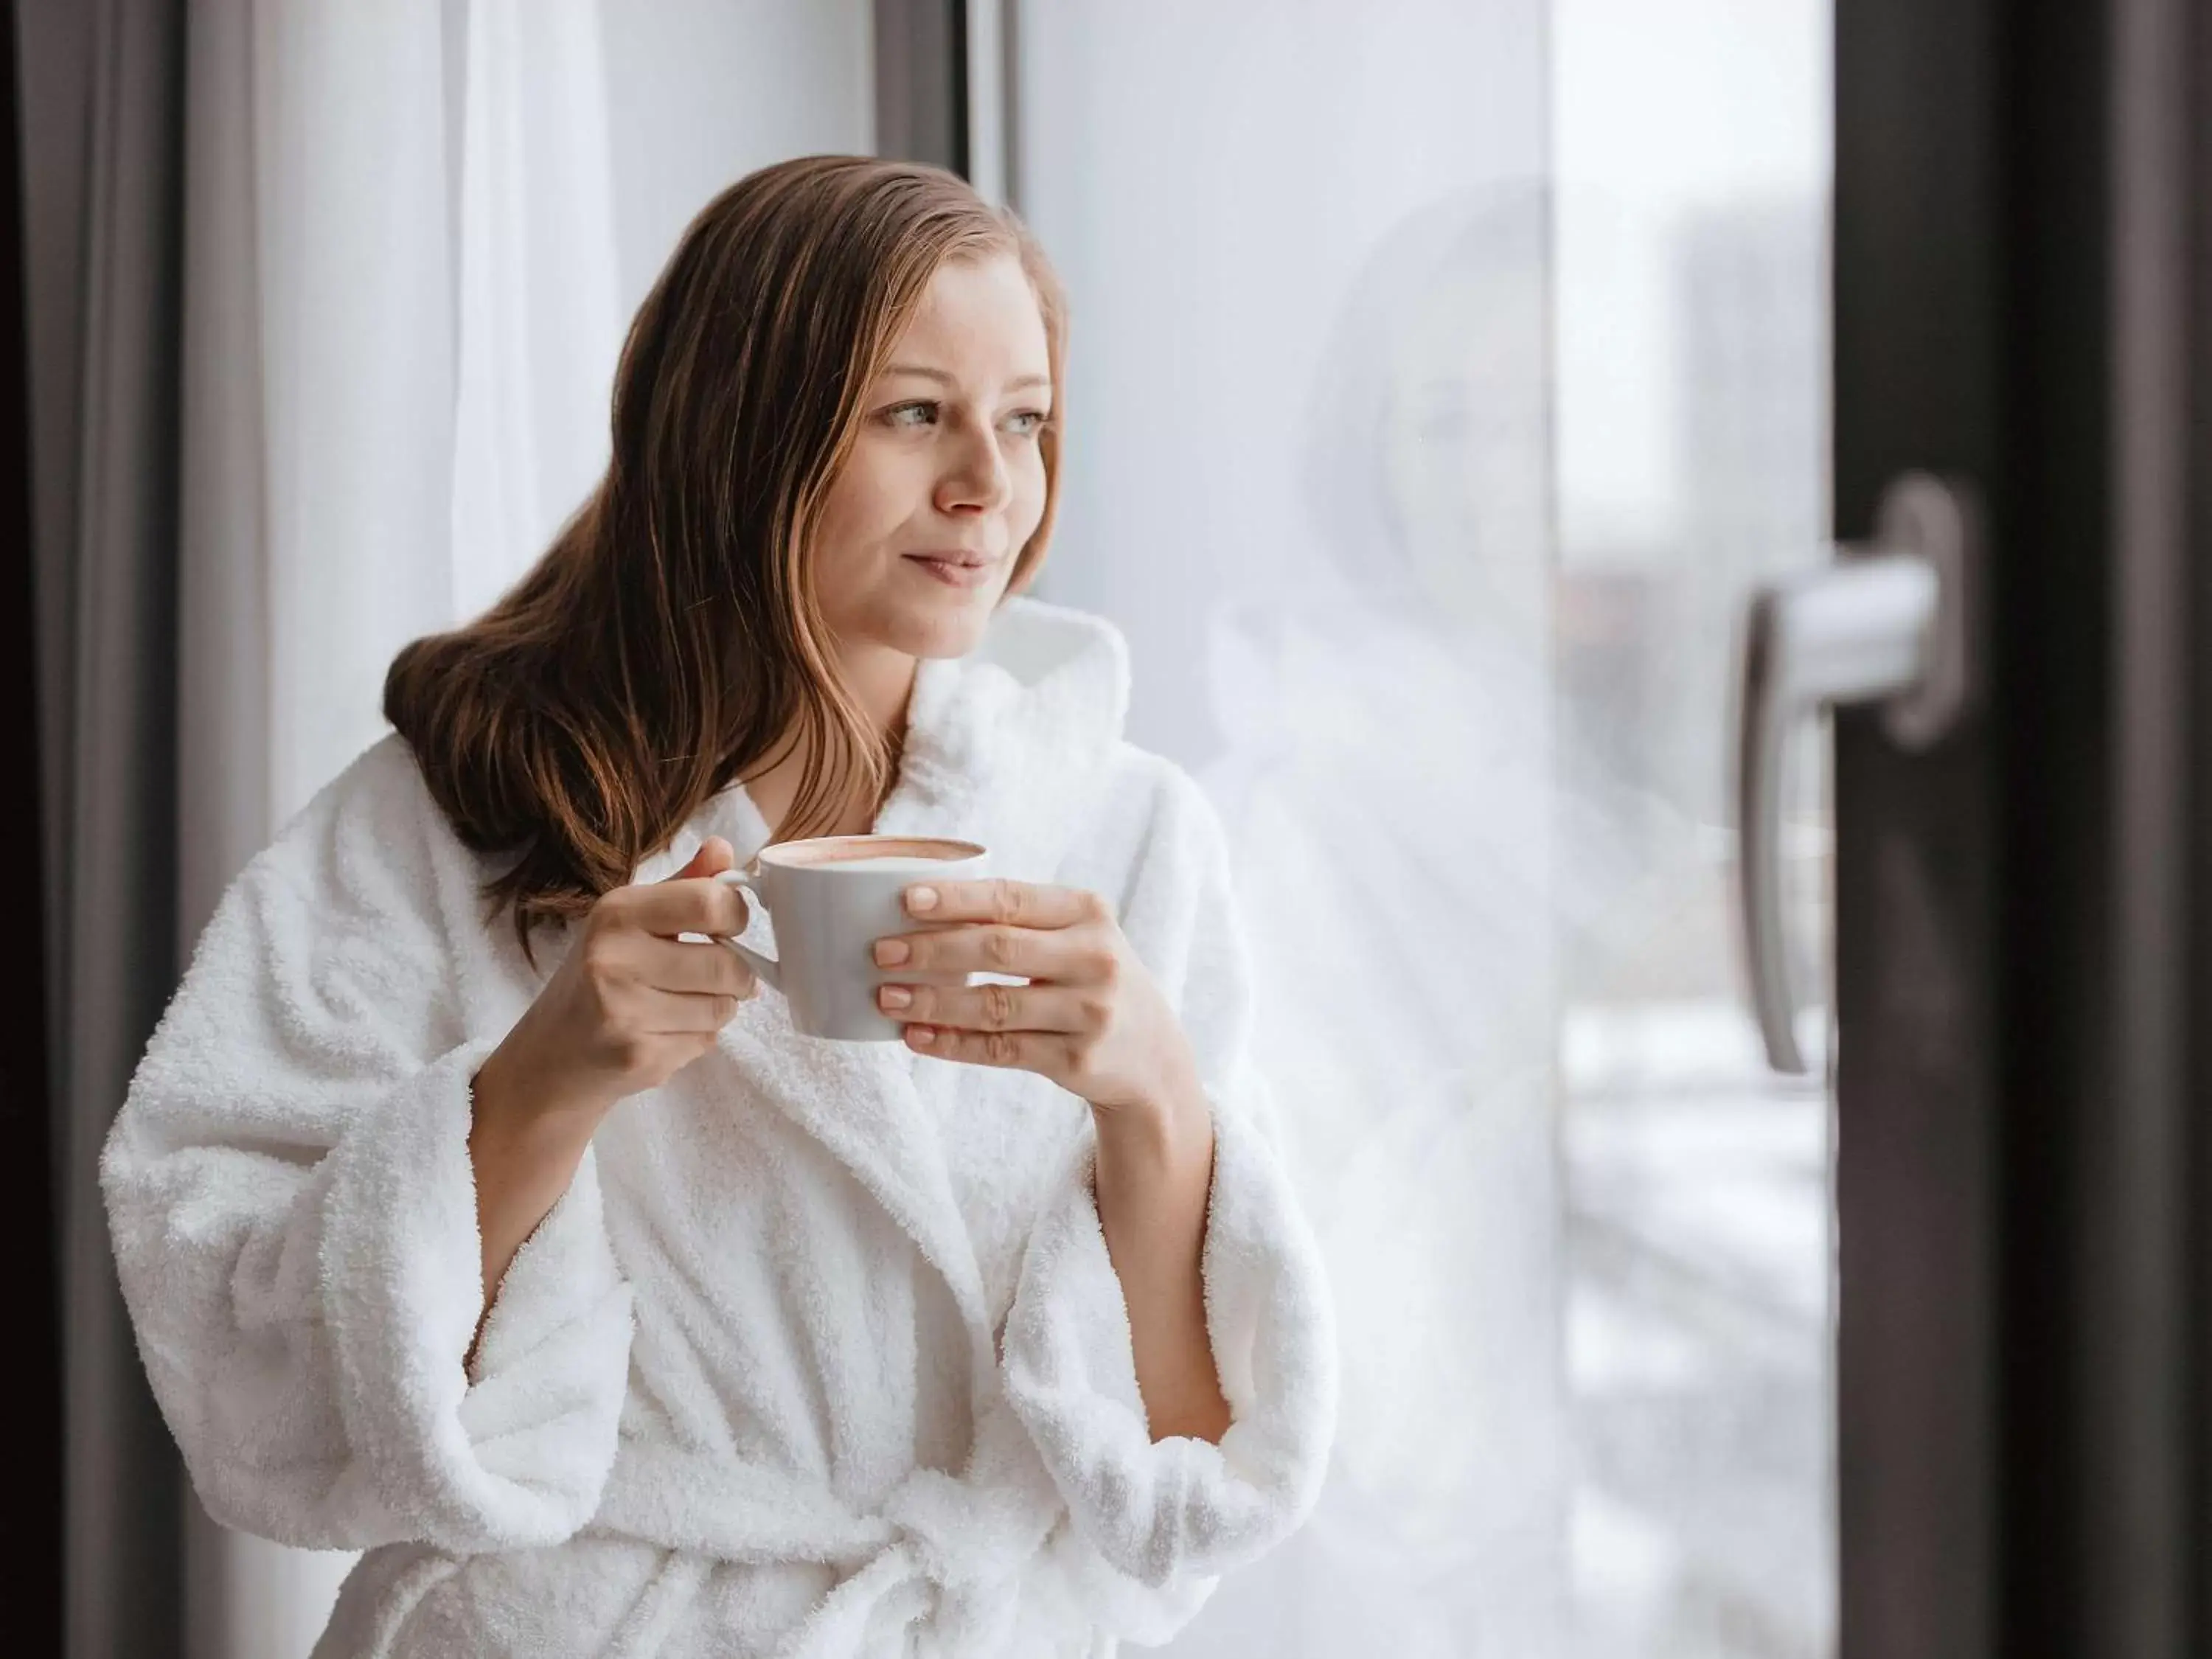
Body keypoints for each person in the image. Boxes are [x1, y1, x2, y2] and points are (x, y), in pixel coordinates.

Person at [101, 156, 1337, 1658]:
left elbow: (1189, 1482)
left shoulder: (1128, 838)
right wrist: (539, 1086)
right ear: (744, 429)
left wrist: (1156, 1101)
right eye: (915, 413)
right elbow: (241, 1356)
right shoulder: (458, 816)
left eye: (1025, 421)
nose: (989, 488)